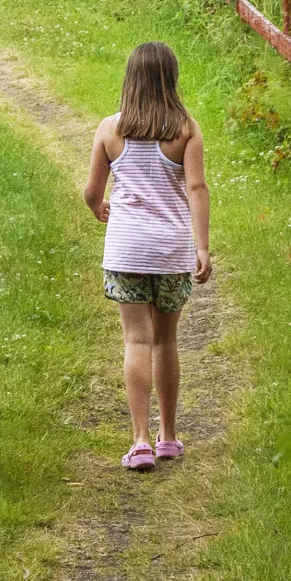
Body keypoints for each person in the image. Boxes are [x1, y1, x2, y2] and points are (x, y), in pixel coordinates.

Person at [82, 41, 212, 472]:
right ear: (171, 79)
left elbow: (92, 191)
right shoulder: (185, 130)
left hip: (126, 250)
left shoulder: (110, 129)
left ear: (130, 79)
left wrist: (98, 208)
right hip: (171, 251)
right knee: (166, 341)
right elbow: (196, 188)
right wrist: (202, 246)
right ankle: (168, 437)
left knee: (136, 341)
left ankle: (139, 441)